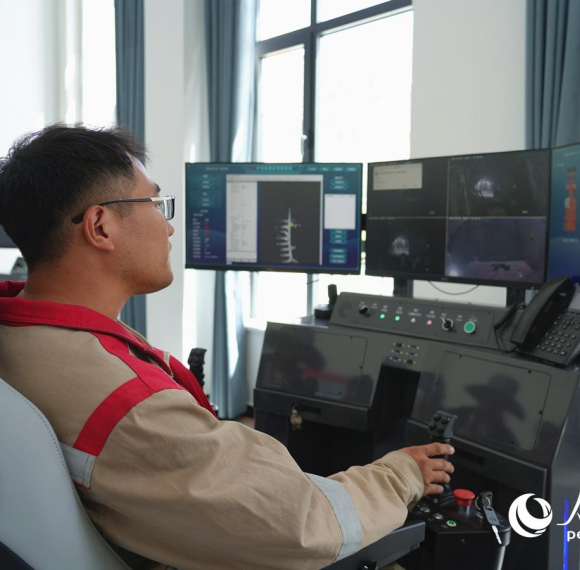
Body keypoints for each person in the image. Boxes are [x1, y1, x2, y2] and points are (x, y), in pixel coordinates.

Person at [0, 125, 455, 570]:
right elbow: (303, 525)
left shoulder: (21, 333)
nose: (169, 227)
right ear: (101, 226)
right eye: (156, 203)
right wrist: (402, 474)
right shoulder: (129, 403)